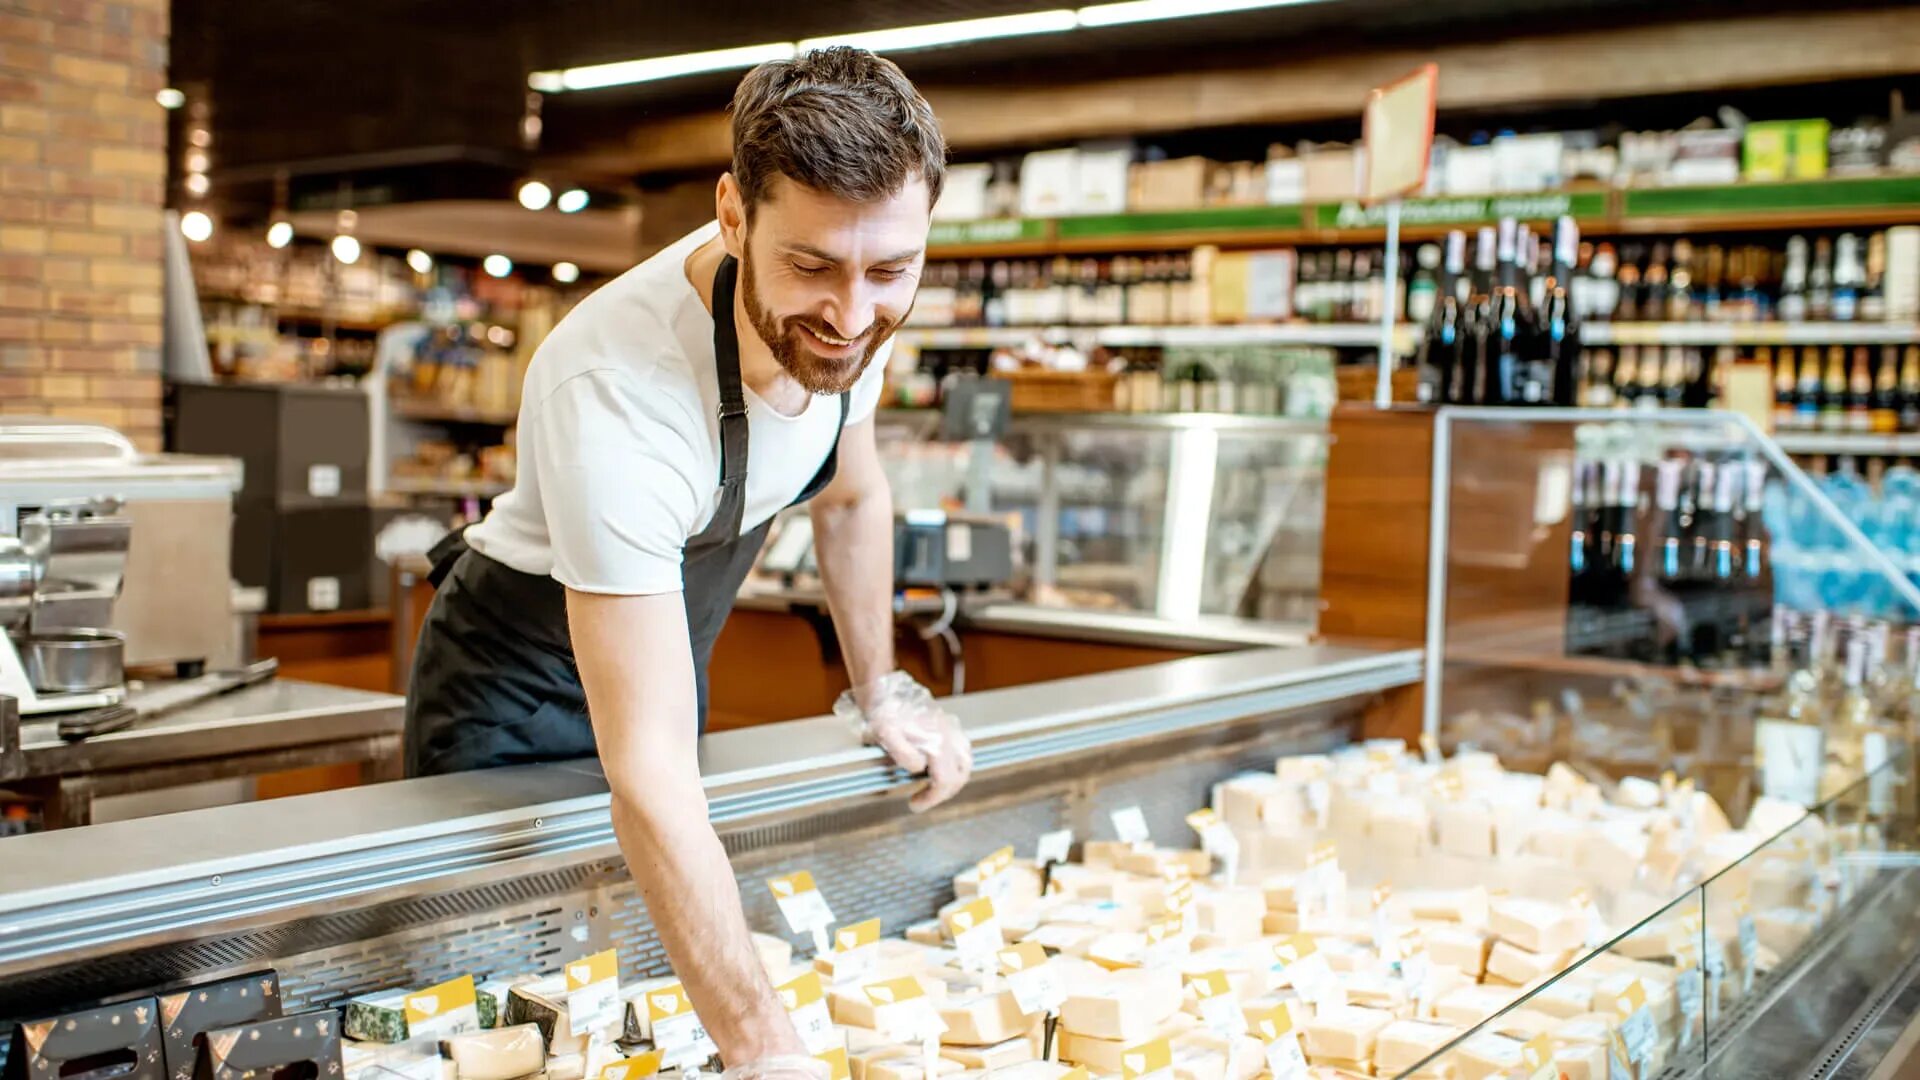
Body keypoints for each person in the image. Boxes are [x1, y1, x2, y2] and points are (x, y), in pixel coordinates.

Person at [404, 47, 972, 1079]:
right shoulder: (614, 393)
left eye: (890, 271)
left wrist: (878, 686)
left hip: (657, 660)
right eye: (810, 269)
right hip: (512, 692)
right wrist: (767, 1053)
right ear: (733, 213)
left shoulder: (858, 305)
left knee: (636, 994)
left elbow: (852, 495)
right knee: (509, 1019)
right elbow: (653, 779)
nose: (850, 318)